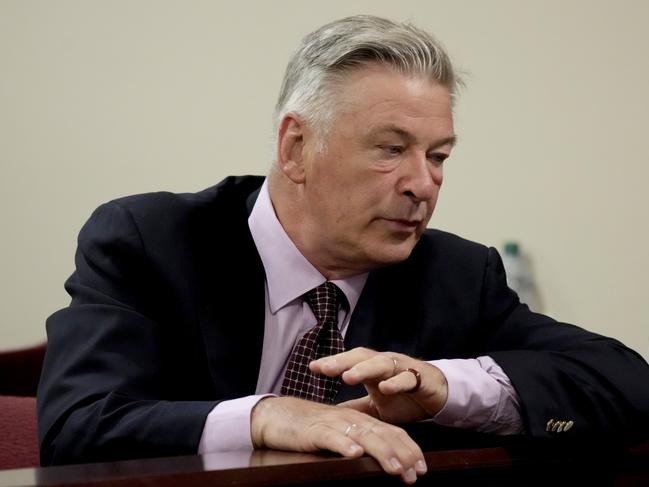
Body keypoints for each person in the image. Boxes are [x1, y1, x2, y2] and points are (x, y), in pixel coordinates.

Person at [38, 15, 649, 484]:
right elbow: (77, 425)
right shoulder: (153, 240)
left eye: (438, 156)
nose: (423, 183)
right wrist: (266, 416)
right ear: (296, 147)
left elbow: (625, 382)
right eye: (391, 149)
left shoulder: (456, 274)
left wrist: (446, 387)